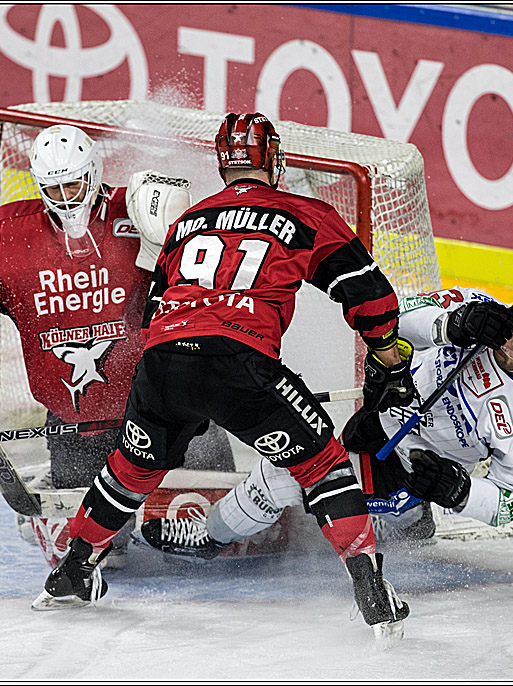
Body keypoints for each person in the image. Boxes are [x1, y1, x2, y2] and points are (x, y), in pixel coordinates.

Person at [32, 112, 418, 639]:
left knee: (131, 469)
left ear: (223, 164)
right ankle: (371, 587)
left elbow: (149, 313)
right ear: (274, 160)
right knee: (322, 465)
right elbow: (374, 301)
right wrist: (387, 361)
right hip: (239, 364)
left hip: (163, 363)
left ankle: (73, 572)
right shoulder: (306, 213)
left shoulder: (187, 220)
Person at [0, 124, 234, 569]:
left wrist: (178, 227)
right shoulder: (11, 235)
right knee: (93, 557)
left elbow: (221, 262)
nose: (66, 197)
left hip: (175, 417)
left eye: (74, 183)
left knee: (224, 548)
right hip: (74, 431)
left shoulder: (140, 210)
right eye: (53, 187)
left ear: (94, 172)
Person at [136, 286, 513, 555]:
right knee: (299, 468)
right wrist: (450, 324)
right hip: (374, 420)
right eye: (512, 329)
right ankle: (412, 522)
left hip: (411, 467)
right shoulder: (484, 313)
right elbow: (390, 320)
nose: (505, 342)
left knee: (283, 475)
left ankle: (209, 540)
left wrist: (459, 491)